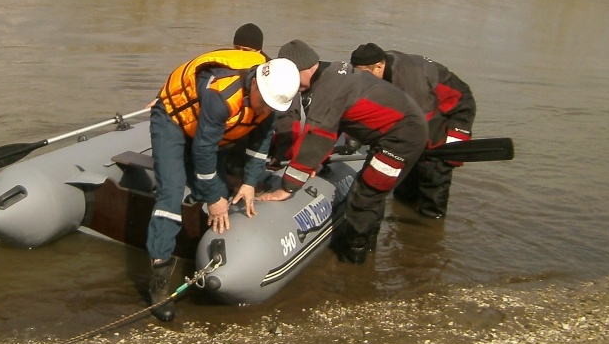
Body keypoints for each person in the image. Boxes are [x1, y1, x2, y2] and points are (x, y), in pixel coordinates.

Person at [146, 32, 301, 322]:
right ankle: (158, 279)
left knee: (219, 175)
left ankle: (203, 216)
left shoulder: (268, 97)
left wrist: (250, 182)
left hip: (208, 126)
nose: (265, 110)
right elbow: (203, 150)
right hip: (174, 119)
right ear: (255, 83)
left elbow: (261, 144)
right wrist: (215, 197)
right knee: (171, 192)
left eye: (271, 108)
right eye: (264, 103)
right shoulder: (222, 96)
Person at [259, 39, 428, 265]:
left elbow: (317, 136)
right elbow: (330, 126)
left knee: (365, 195)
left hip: (400, 139)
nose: (291, 84)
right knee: (371, 193)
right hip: (395, 131)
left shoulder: (327, 89)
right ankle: (368, 249)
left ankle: (355, 258)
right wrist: (316, 163)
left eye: (293, 76)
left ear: (308, 67)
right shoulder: (330, 73)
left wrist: (288, 187)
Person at [349, 43, 476, 218]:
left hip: (450, 109)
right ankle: (404, 215)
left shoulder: (408, 79)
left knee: (433, 167)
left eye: (363, 74)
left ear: (379, 67)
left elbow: (421, 121)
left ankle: (432, 220)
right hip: (423, 107)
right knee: (405, 173)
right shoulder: (373, 71)